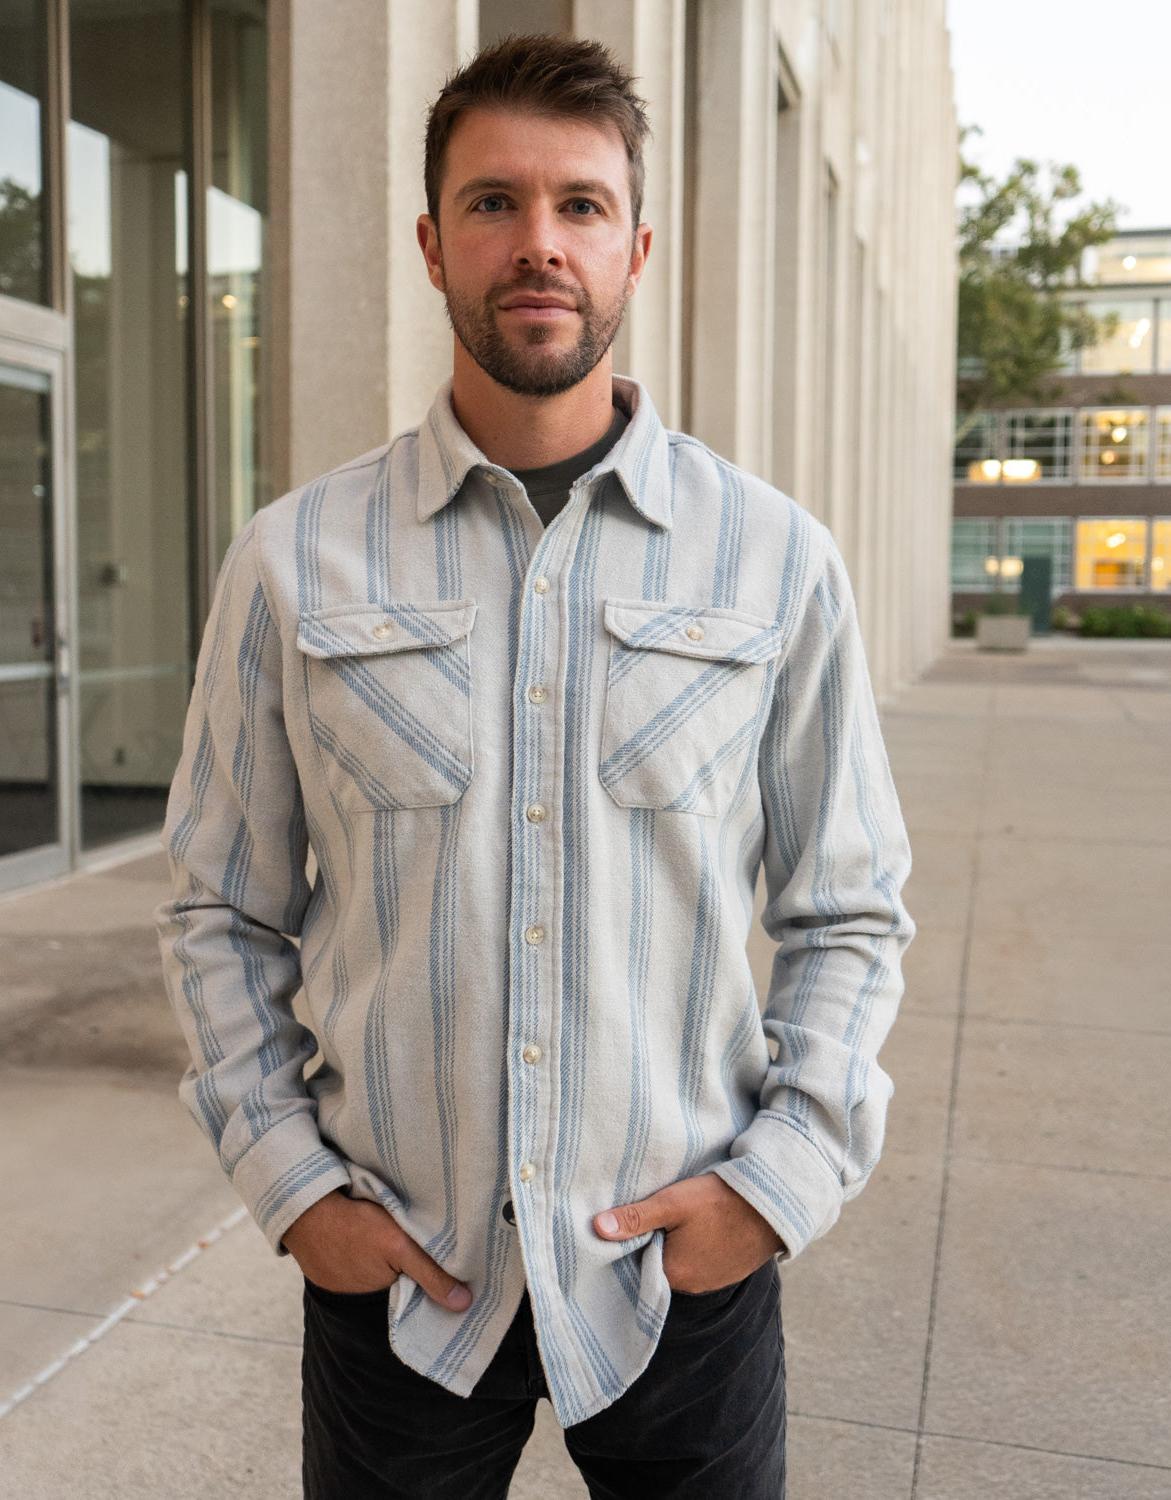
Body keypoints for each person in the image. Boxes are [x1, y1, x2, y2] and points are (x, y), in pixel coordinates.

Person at [158, 32, 913, 1500]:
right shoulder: (294, 561)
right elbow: (215, 909)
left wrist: (771, 1193)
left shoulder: (773, 558)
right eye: (494, 203)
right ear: (435, 246)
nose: (539, 244)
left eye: (579, 206)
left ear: (635, 247)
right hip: (403, 1284)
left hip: (680, 1279)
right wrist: (293, 1186)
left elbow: (851, 906)